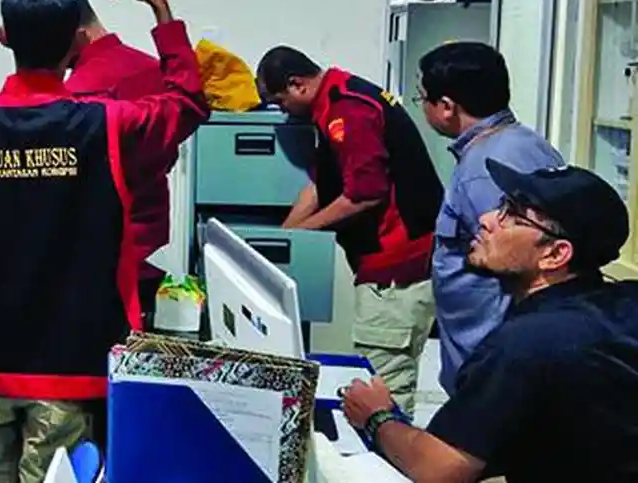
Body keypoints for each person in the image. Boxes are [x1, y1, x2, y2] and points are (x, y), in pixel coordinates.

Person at [0, 0, 208, 483]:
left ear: (2, 36)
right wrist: (159, 8)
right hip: (69, 366)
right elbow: (188, 102)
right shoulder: (106, 126)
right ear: (75, 42)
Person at [341, 160, 638, 483]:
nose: (485, 219)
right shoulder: (620, 304)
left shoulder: (527, 342)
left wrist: (376, 416)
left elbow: (440, 468)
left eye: (512, 214)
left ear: (555, 255)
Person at [256, 47, 442, 415]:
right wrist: (283, 238)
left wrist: (303, 234)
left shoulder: (349, 110)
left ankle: (388, 467)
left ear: (297, 85)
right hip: (382, 264)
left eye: (280, 102)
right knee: (374, 381)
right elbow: (319, 188)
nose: (282, 112)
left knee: (382, 389)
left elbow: (363, 194)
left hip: (396, 271)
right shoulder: (332, 101)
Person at [416, 41, 563, 393]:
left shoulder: (485, 168)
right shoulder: (522, 142)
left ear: (447, 106)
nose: (421, 106)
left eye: (422, 97)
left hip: (489, 359)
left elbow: (519, 262)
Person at [64, 0, 175, 330]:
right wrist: (160, 7)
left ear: (73, 32)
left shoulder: (80, 90)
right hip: (152, 240)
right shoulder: (149, 66)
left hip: (101, 253)